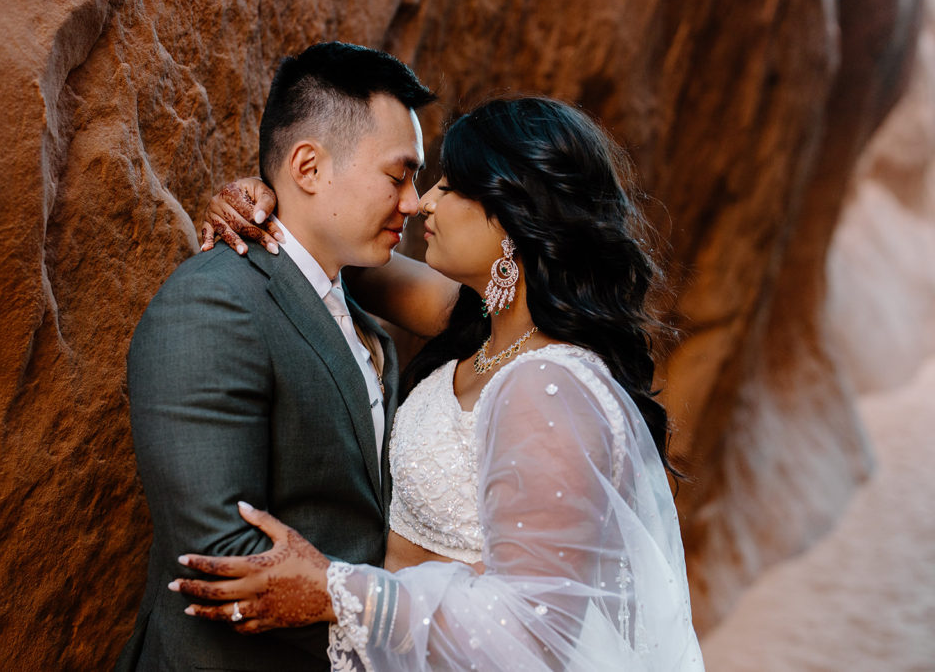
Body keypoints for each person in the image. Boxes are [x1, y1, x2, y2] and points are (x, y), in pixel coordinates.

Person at [178, 97, 705, 671]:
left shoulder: (548, 388)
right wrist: (264, 197)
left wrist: (335, 591)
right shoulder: (480, 328)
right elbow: (326, 249)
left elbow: (539, 629)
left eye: (449, 186)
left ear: (509, 214)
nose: (424, 201)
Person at [116, 41, 436, 671]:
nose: (414, 201)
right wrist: (405, 626)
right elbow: (220, 559)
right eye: (399, 175)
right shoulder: (213, 305)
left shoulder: (353, 306)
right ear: (309, 168)